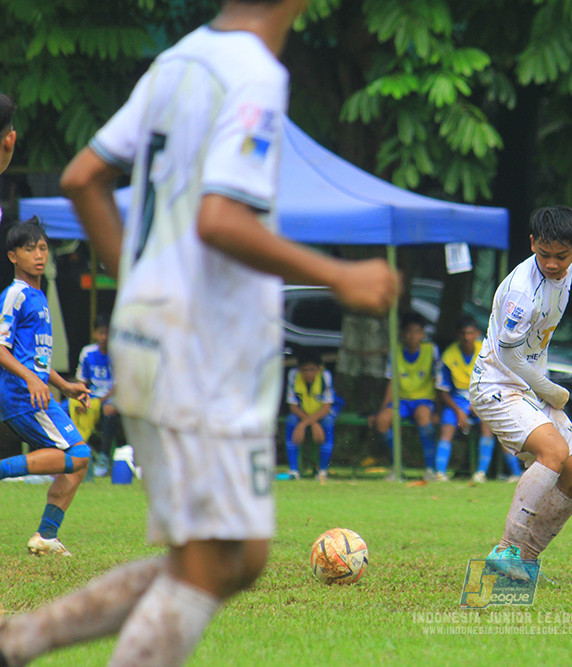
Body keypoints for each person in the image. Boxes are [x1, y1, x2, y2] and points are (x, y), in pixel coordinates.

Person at [0, 1, 398, 665]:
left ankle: (21, 639)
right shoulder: (255, 72)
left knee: (229, 557)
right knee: (221, 560)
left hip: (151, 334)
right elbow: (220, 219)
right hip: (202, 345)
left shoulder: (176, 61)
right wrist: (340, 275)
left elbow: (83, 177)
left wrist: (143, 287)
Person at [468, 205, 572, 581]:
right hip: (497, 385)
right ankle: (504, 551)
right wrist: (550, 390)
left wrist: (543, 389)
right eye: (544, 254)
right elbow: (508, 356)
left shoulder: (567, 268)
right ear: (532, 243)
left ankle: (524, 560)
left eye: (561, 256)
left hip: (531, 387)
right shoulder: (523, 293)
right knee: (553, 453)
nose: (552, 264)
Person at [0, 218, 92, 557]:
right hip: (22, 395)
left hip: (37, 390)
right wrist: (30, 379)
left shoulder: (38, 296)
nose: (39, 255)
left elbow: (35, 358)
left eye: (42, 248)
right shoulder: (15, 295)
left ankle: (45, 536)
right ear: (13, 256)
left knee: (79, 463)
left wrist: (64, 385)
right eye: (29, 249)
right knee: (79, 455)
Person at [434, 316, 521, 483]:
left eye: (470, 333)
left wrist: (478, 403)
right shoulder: (449, 356)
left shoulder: (485, 352)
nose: (467, 337)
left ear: (476, 334)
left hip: (482, 397)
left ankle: (481, 473)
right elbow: (442, 390)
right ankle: (440, 473)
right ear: (458, 335)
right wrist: (459, 411)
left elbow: (494, 382)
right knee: (447, 427)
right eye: (463, 333)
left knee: (488, 425)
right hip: (457, 400)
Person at [373, 312, 439, 479]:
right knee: (382, 421)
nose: (412, 336)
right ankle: (397, 466)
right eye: (409, 331)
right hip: (401, 400)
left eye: (417, 331)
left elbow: (437, 381)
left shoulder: (431, 350)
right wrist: (383, 409)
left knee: (424, 417)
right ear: (403, 333)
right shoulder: (395, 351)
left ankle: (430, 468)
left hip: (423, 400)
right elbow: (391, 381)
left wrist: (438, 410)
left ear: (422, 334)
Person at [70, 312, 120, 475]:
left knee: (109, 409)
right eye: (101, 332)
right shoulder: (87, 353)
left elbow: (119, 385)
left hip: (112, 398)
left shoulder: (118, 353)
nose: (105, 337)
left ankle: (104, 456)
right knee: (62, 408)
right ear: (95, 334)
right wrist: (82, 399)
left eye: (108, 333)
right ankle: (68, 454)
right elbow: (82, 381)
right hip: (91, 396)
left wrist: (100, 400)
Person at [285, 349, 342, 482]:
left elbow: (326, 408)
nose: (308, 374)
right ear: (299, 369)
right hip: (303, 413)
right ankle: (294, 470)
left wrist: (307, 424)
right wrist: (309, 423)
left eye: (312, 370)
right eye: (305, 370)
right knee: (291, 420)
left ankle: (323, 471)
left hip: (322, 412)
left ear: (319, 369)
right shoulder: (293, 375)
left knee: (327, 422)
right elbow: (293, 406)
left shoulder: (325, 376)